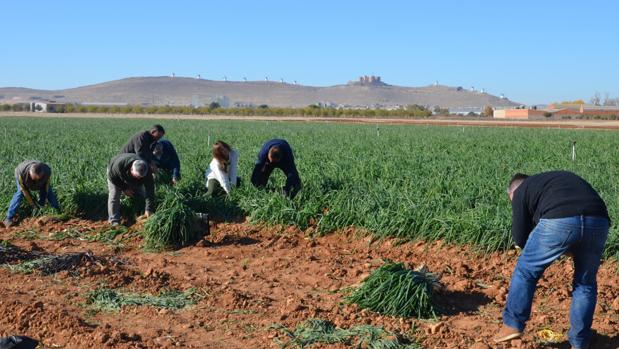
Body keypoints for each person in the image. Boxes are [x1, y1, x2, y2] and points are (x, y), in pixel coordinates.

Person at [495, 171, 609, 349]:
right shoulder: (550, 184)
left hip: (560, 220)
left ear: (513, 192)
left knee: (525, 271)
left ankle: (512, 324)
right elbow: (579, 222)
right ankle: (580, 342)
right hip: (599, 221)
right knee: (585, 284)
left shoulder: (520, 191)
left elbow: (519, 238)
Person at [4, 160, 60, 227]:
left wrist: (41, 205)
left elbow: (46, 188)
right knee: (19, 194)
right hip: (22, 177)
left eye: (38, 178)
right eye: (34, 178)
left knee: (49, 192)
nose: (36, 180)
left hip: (41, 181)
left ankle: (57, 211)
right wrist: (33, 206)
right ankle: (9, 217)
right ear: (30, 173)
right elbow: (24, 191)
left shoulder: (47, 171)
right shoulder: (21, 173)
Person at [107, 153, 155, 226]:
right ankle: (114, 221)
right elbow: (112, 177)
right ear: (131, 169)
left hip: (128, 175)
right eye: (137, 176)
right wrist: (124, 188)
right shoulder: (119, 165)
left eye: (140, 177)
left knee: (140, 193)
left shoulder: (147, 171)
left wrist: (149, 208)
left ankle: (138, 213)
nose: (138, 179)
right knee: (115, 195)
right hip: (115, 175)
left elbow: (150, 190)